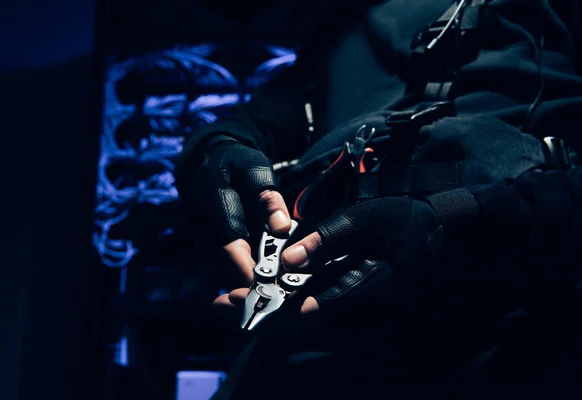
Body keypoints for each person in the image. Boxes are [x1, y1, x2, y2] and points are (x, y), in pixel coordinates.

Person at [175, 0, 582, 398]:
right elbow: (257, 122)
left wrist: (463, 221)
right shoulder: (342, 23)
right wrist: (216, 149)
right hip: (313, 318)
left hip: (507, 315)